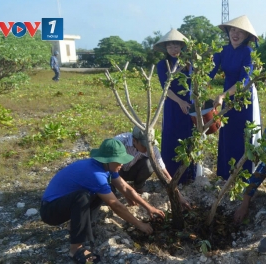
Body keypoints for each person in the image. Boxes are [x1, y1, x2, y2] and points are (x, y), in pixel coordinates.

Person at [40, 138, 165, 263]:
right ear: (108, 160)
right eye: (119, 161)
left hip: (64, 203)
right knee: (82, 197)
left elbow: (125, 188)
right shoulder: (95, 174)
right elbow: (115, 204)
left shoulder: (106, 168)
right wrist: (139, 224)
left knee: (106, 188)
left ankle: (86, 226)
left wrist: (149, 207)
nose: (122, 164)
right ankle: (75, 249)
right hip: (50, 211)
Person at [208, 15, 262, 180]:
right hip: (226, 96)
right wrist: (198, 89)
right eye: (232, 29)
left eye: (240, 31)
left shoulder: (248, 52)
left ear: (246, 36)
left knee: (244, 135)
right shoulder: (222, 51)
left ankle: (244, 176)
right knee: (227, 133)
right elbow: (208, 73)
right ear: (228, 32)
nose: (235, 34)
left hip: (244, 98)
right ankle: (226, 174)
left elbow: (244, 81)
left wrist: (222, 95)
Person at [153, 29, 196, 184]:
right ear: (166, 49)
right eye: (170, 47)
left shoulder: (189, 64)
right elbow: (166, 88)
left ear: (182, 47)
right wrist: (180, 102)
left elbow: (197, 83)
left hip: (189, 104)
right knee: (171, 137)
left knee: (189, 136)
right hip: (172, 104)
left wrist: (190, 102)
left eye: (176, 46)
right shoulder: (162, 65)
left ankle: (188, 175)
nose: (173, 50)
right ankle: (170, 175)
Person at [114, 126, 191, 209]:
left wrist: (178, 196)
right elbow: (110, 170)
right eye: (144, 145)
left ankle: (138, 186)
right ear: (134, 141)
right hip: (114, 172)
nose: (147, 149)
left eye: (149, 145)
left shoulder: (151, 148)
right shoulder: (119, 142)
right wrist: (126, 194)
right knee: (112, 194)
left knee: (150, 164)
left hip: (131, 170)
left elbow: (163, 171)